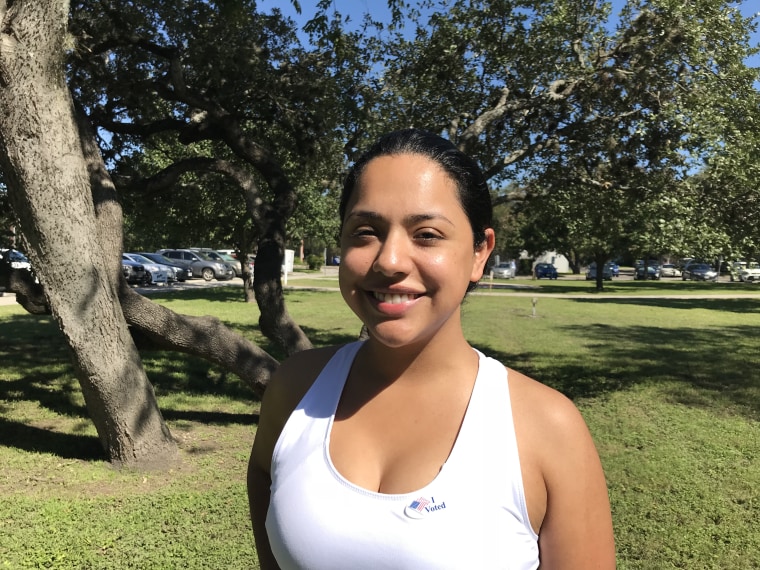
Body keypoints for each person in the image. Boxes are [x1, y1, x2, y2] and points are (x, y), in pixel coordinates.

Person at [247, 129, 615, 569]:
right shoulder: (296, 389)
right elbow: (264, 477)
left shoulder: (546, 428)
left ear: (480, 253)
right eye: (366, 232)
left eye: (426, 234)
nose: (389, 260)